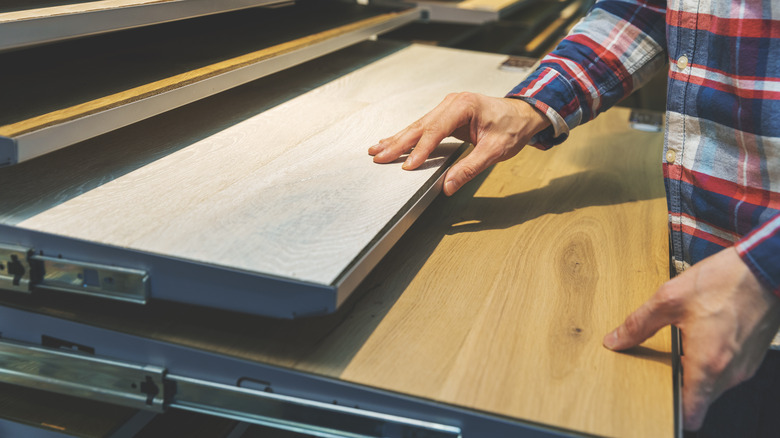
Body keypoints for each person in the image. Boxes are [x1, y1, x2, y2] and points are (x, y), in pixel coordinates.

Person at [368, 0, 780, 432]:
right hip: (709, 286)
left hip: (756, 300)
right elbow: (641, 11)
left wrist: (764, 272)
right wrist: (531, 105)